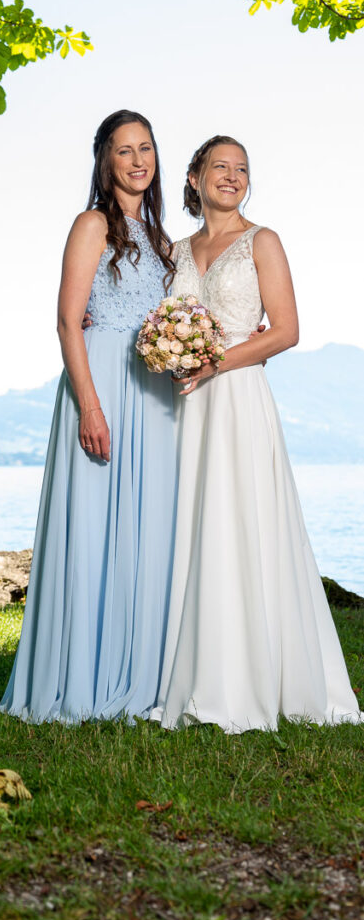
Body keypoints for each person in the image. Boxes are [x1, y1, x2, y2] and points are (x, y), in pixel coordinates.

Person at [151, 135, 361, 733]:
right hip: (182, 407)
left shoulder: (262, 241)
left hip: (237, 400)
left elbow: (287, 329)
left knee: (243, 525)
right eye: (220, 166)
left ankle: (251, 674)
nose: (233, 176)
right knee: (190, 527)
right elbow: (148, 313)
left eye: (242, 169)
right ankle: (181, 667)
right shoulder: (173, 248)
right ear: (193, 178)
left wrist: (216, 361)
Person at [0, 110, 177, 723]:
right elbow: (67, 320)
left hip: (154, 395)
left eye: (146, 148)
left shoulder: (159, 238)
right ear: (105, 160)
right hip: (100, 384)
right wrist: (90, 405)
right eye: (124, 150)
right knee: (95, 526)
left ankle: (143, 671)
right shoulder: (91, 224)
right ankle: (81, 675)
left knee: (147, 531)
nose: (137, 160)